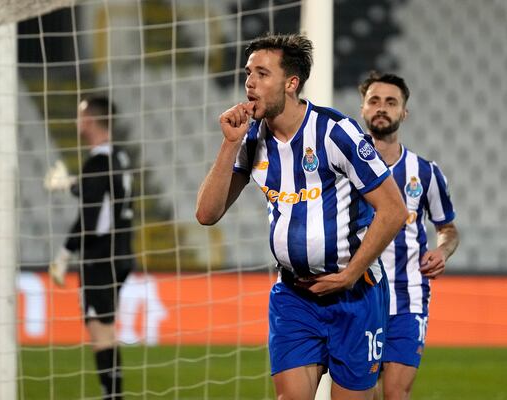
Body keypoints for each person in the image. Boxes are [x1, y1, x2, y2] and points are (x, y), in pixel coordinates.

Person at [195, 33, 408, 400]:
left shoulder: (334, 132)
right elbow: (206, 213)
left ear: (291, 83)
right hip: (295, 295)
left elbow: (393, 211)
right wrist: (229, 143)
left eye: (262, 74)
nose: (249, 82)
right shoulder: (249, 138)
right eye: (248, 73)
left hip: (356, 294)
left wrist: (349, 275)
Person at [358, 71, 460, 400]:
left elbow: (448, 229)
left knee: (395, 393)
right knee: (362, 392)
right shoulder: (344, 168)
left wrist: (442, 252)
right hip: (358, 294)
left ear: (404, 112)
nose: (382, 108)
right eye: (374, 101)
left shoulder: (425, 172)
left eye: (391, 102)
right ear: (363, 109)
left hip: (408, 296)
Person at [46, 96, 135, 399]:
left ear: (89, 120)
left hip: (100, 256)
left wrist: (64, 253)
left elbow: (92, 218)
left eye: (79, 114)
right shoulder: (119, 157)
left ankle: (112, 396)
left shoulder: (97, 161)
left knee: (101, 332)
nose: (76, 120)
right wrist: (70, 183)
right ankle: (113, 395)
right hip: (122, 253)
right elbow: (100, 193)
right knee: (107, 329)